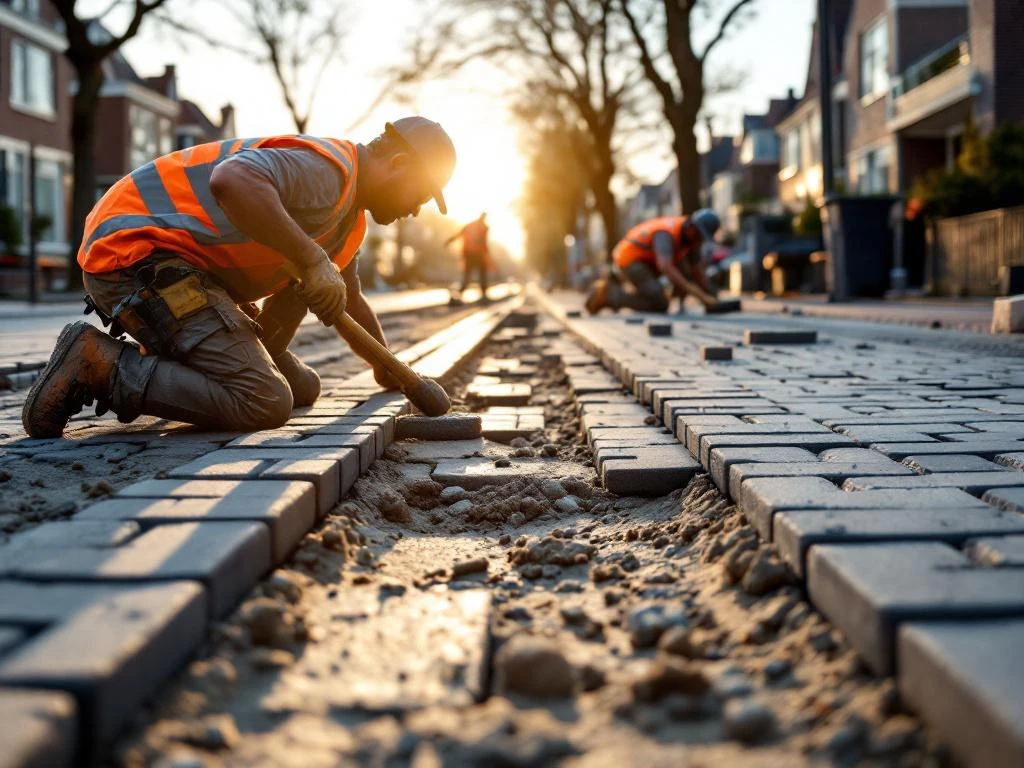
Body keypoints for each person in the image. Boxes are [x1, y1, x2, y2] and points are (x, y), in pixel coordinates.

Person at [23, 117, 456, 438]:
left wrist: (387, 369)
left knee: (302, 385)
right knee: (265, 399)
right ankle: (101, 366)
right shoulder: (327, 170)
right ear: (399, 164)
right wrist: (310, 258)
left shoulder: (348, 220)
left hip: (184, 275)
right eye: (419, 196)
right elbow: (232, 179)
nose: (414, 211)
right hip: (137, 256)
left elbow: (350, 299)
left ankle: (197, 363)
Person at [585, 209, 721, 314]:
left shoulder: (692, 240)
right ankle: (610, 295)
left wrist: (710, 295)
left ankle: (620, 295)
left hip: (648, 262)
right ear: (692, 227)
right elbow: (665, 266)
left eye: (702, 238)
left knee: (683, 270)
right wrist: (697, 294)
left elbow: (697, 271)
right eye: (699, 236)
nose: (700, 241)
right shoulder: (666, 233)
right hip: (630, 260)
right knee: (660, 303)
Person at [445, 212, 490, 300]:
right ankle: (483, 294)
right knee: (481, 273)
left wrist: (450, 240)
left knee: (469, 275)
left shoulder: (470, 226)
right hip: (477, 254)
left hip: (469, 254)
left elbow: (459, 234)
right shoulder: (484, 227)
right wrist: (487, 255)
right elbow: (484, 242)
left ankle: (461, 292)